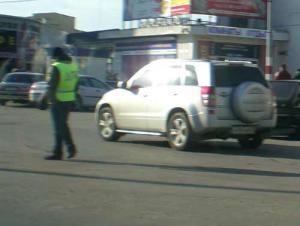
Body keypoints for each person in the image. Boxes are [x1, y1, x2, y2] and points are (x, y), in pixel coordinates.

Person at [45, 47, 79, 160]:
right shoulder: (73, 67)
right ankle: (58, 152)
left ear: (55, 56)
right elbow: (76, 85)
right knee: (60, 126)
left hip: (57, 100)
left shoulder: (56, 67)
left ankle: (70, 148)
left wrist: (45, 100)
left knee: (60, 126)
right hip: (69, 99)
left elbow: (51, 86)